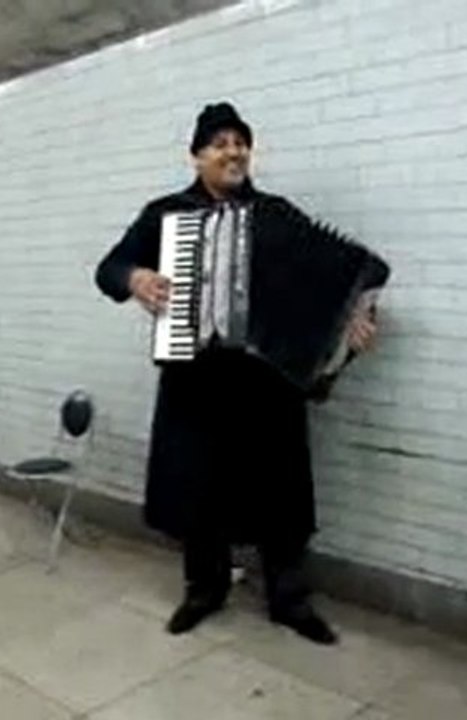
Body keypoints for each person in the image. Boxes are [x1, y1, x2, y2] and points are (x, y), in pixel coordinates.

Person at [94, 103, 377, 644]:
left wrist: (354, 327)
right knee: (199, 491)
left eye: (240, 142)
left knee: (283, 495)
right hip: (196, 381)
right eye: (220, 143)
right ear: (196, 155)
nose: (233, 151)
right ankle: (204, 590)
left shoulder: (278, 215)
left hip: (268, 385)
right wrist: (136, 278)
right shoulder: (165, 215)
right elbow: (107, 268)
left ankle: (289, 600)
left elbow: (339, 288)